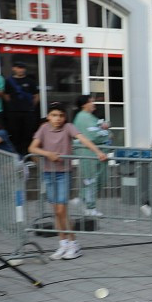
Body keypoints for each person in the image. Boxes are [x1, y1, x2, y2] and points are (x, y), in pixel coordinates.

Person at [29, 102, 108, 260]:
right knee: (56, 212)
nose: (57, 119)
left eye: (60, 116)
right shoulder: (44, 128)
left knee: (61, 210)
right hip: (48, 173)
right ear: (48, 117)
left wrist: (98, 151)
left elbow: (83, 139)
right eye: (54, 115)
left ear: (64, 117)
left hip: (64, 173)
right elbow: (32, 148)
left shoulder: (69, 127)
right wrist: (47, 154)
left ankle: (73, 243)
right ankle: (63, 243)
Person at [73, 95, 112, 217]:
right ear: (84, 104)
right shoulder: (83, 117)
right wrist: (106, 133)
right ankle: (90, 207)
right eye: (91, 101)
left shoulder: (91, 117)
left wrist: (105, 130)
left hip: (96, 152)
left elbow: (101, 130)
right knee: (91, 179)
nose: (93, 103)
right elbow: (94, 135)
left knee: (99, 179)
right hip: (89, 152)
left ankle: (83, 198)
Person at [3, 63, 40, 155]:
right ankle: (17, 155)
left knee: (28, 135)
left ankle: (27, 155)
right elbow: (6, 96)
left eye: (23, 68)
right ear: (14, 68)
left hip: (28, 113)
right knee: (15, 135)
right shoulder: (9, 81)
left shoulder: (30, 81)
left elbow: (36, 96)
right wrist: (13, 105)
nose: (21, 70)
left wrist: (30, 107)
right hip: (14, 113)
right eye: (19, 68)